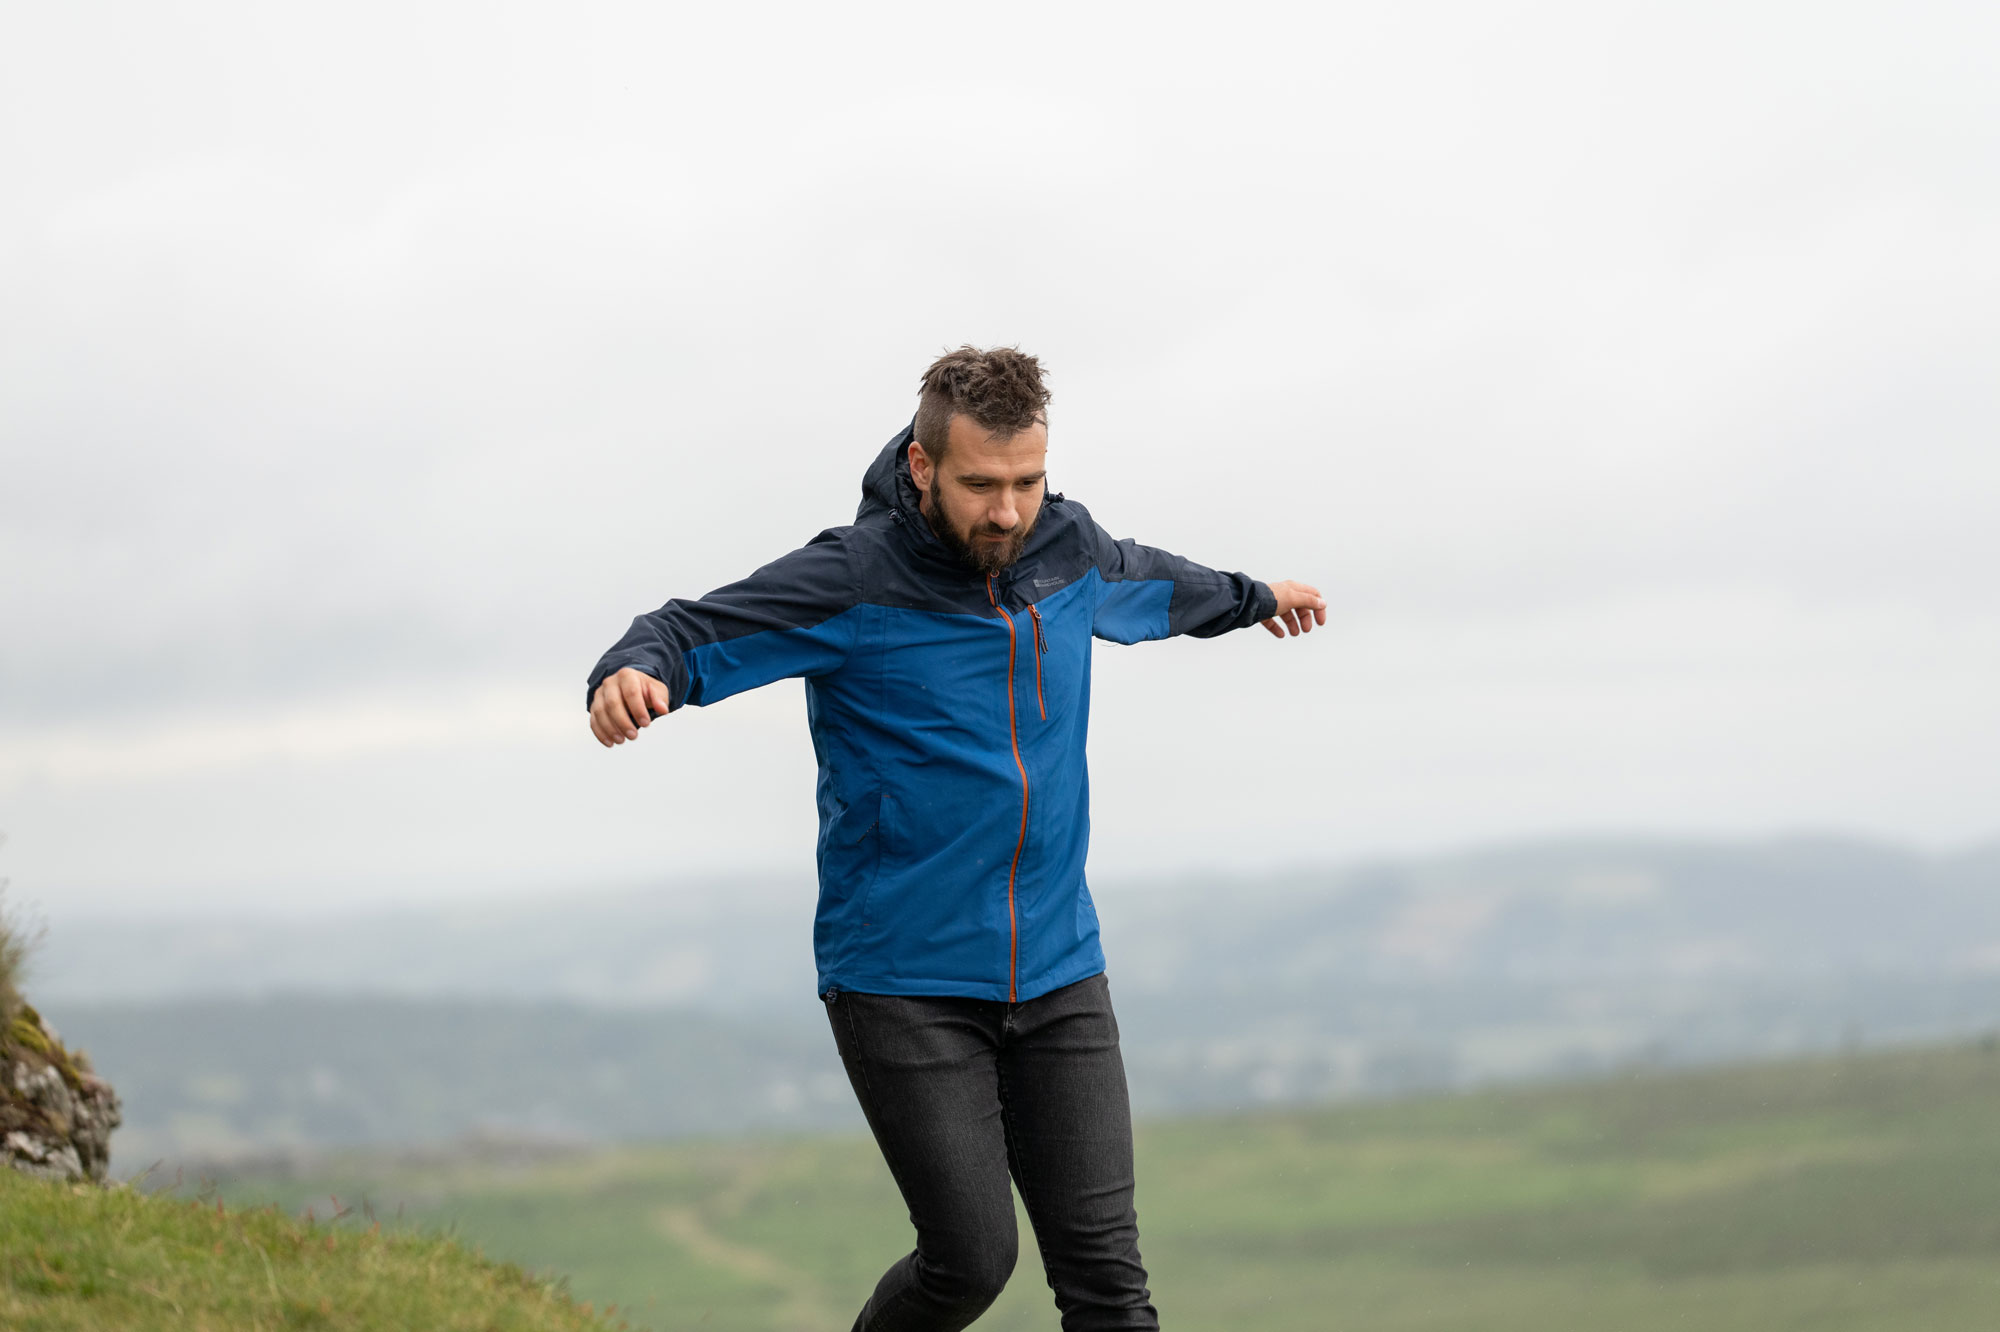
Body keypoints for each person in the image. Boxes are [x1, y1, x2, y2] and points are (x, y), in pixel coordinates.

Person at [585, 347, 1324, 1331]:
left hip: (1060, 969)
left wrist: (1254, 597)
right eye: (981, 485)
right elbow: (685, 631)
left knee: (1108, 1280)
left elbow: (1155, 581)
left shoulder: (1067, 549)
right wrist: (632, 672)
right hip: (905, 980)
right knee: (970, 1263)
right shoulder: (851, 580)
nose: (1008, 511)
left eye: (1027, 482)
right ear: (926, 470)